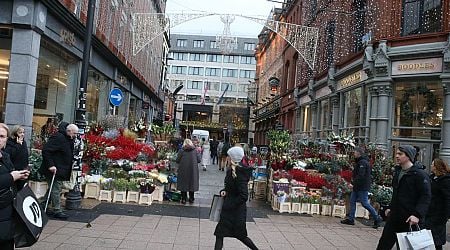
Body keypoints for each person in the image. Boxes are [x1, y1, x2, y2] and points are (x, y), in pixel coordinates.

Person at [376, 145, 431, 250]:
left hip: (409, 219)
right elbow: (397, 193)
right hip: (394, 217)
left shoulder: (419, 174)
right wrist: (390, 207)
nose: (396, 156)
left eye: (400, 154)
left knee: (405, 247)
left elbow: (425, 196)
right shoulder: (398, 172)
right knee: (383, 245)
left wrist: (417, 215)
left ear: (409, 156)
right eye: (396, 153)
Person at [214, 146, 258, 250]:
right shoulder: (231, 171)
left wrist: (229, 204)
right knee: (219, 234)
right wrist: (224, 191)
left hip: (236, 211)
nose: (227, 158)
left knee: (241, 236)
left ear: (233, 158)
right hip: (229, 211)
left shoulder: (240, 173)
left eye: (229, 156)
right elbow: (229, 188)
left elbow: (243, 196)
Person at [0, 123, 30, 249]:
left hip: (8, 213)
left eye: (2, 136)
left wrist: (20, 176)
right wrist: (12, 176)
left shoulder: (5, 156)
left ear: (6, 139)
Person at [40, 122, 78, 219]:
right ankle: (57, 209)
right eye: (74, 133)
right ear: (69, 131)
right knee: (56, 189)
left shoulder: (67, 138)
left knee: (53, 188)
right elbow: (46, 150)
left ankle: (43, 205)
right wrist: (51, 165)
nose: (75, 136)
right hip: (54, 168)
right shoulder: (59, 137)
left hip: (59, 168)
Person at [341, 147, 382, 228]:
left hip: (362, 186)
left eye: (355, 152)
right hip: (358, 186)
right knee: (352, 201)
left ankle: (377, 217)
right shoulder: (361, 161)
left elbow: (361, 175)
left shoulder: (362, 162)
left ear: (359, 153)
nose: (354, 154)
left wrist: (353, 183)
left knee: (365, 203)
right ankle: (351, 219)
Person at [424, 158, 450, 250]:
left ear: (436, 167)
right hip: (430, 212)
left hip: (439, 214)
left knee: (436, 239)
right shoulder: (431, 178)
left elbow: (447, 198)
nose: (430, 166)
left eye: (432, 164)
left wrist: (446, 215)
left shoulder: (445, 180)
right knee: (429, 237)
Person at [176, 139, 201, 204]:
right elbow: (199, 160)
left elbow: (177, 160)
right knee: (192, 183)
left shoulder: (181, 151)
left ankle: (184, 199)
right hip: (193, 170)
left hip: (183, 170)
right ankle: (191, 198)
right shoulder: (195, 151)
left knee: (183, 183)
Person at [4, 125, 29, 189]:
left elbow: (25, 155)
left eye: (23, 132)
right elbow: (10, 155)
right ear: (15, 133)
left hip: (22, 171)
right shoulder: (9, 142)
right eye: (20, 132)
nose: (22, 134)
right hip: (13, 171)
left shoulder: (23, 143)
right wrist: (18, 145)